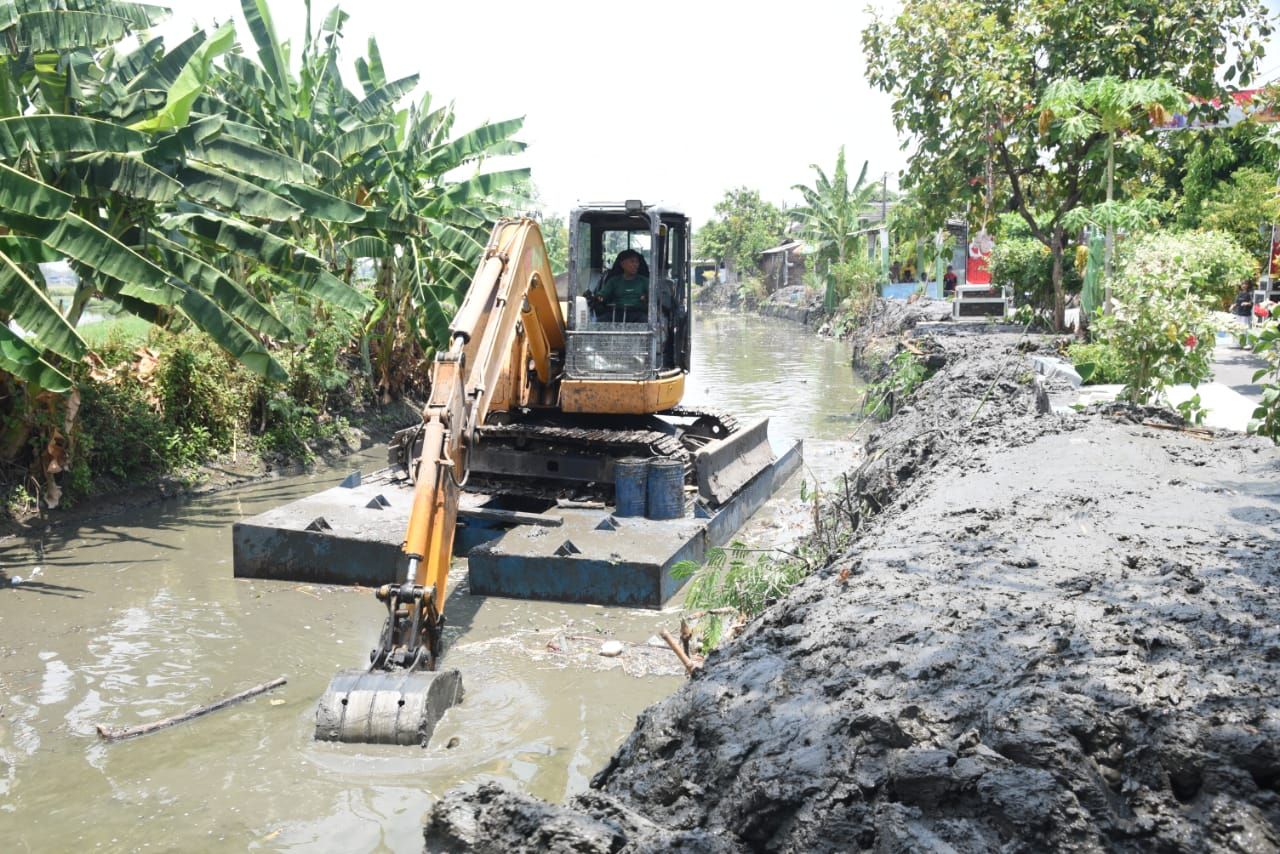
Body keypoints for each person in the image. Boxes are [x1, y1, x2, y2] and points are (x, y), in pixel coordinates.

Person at [593, 249, 649, 323]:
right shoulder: (613, 281)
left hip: (638, 314)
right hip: (616, 314)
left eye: (637, 262)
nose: (636, 265)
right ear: (622, 264)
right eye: (632, 261)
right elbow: (603, 294)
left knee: (648, 323)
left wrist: (647, 297)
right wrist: (599, 297)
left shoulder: (644, 281)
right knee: (600, 321)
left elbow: (653, 296)